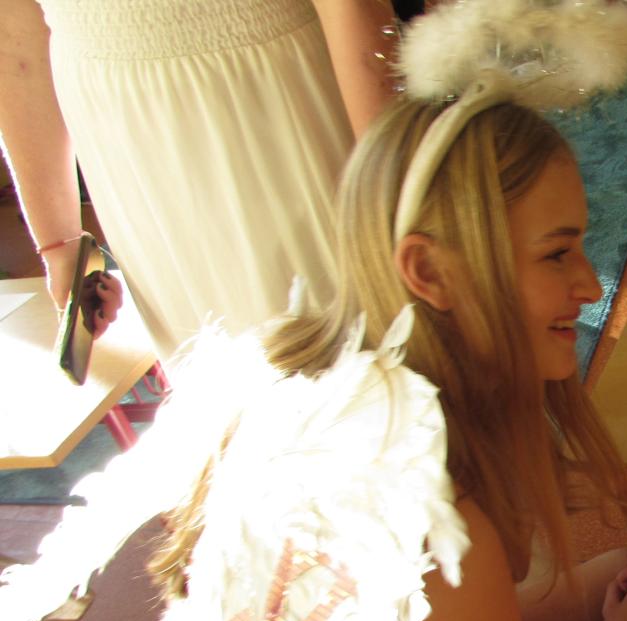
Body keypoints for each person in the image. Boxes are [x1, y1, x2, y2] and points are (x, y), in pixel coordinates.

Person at [0, 2, 627, 621]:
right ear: (427, 269)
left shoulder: (311, 382)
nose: (588, 284)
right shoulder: (429, 525)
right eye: (556, 253)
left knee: (622, 578)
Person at [0, 0, 402, 359]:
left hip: (266, 106)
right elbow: (16, 35)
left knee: (347, 359)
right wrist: (59, 244)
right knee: (215, 380)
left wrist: (392, 193)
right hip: (125, 155)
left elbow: (351, 7)